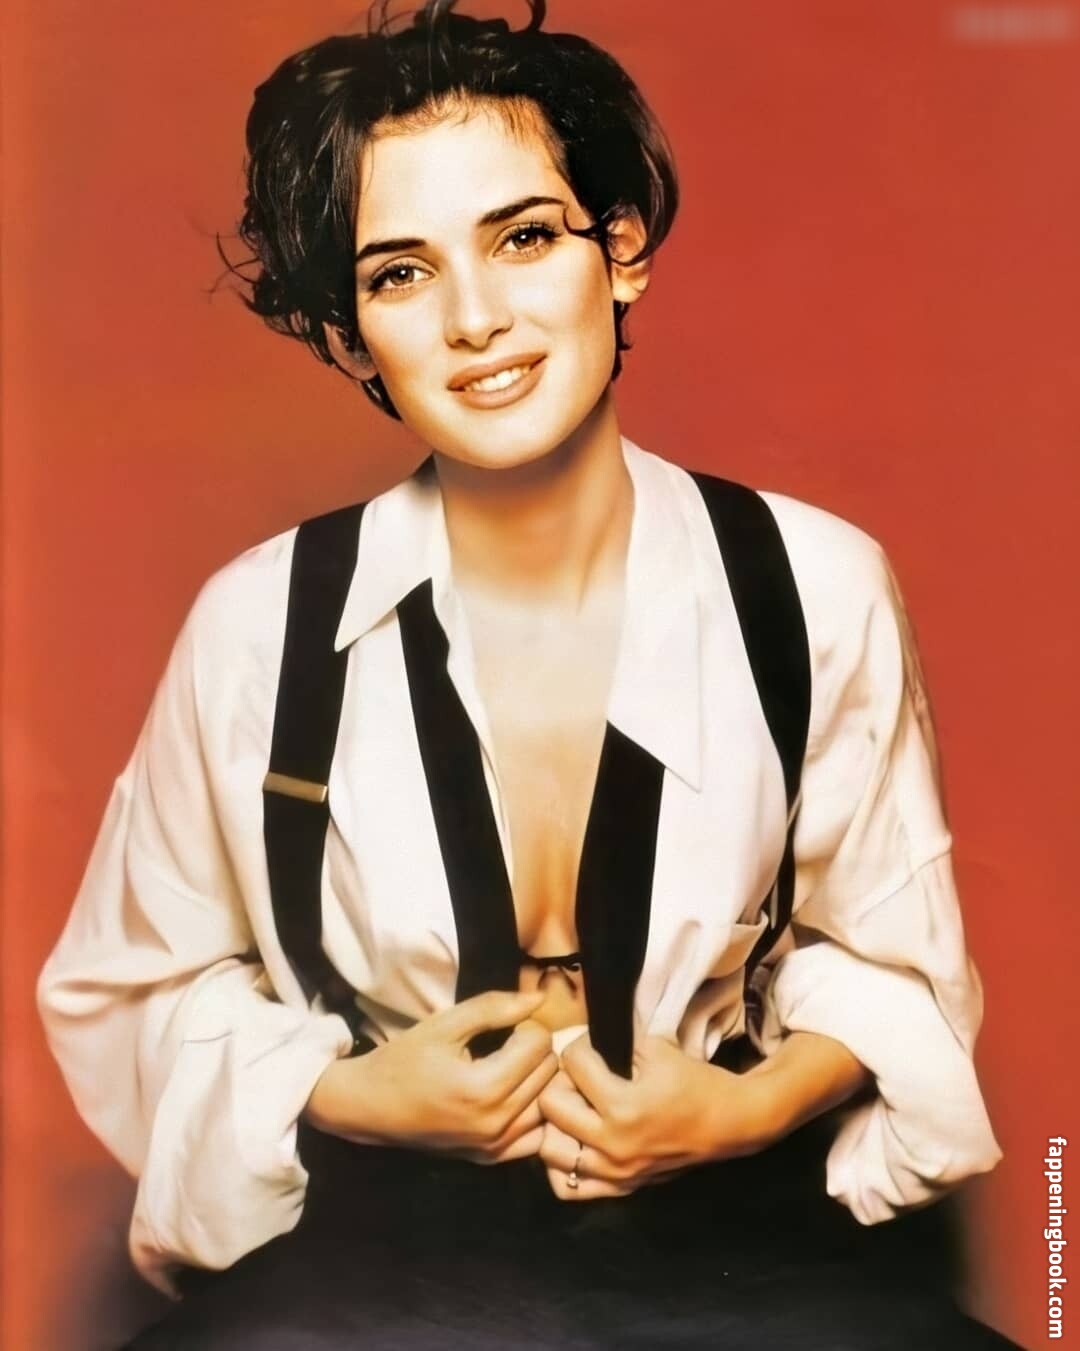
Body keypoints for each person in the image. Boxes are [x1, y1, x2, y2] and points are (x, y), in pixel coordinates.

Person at [38, 2, 1014, 1346]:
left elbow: (893, 959)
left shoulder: (813, 584)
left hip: (738, 1248)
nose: (476, 319)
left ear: (622, 253)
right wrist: (351, 1093)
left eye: (524, 238)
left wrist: (742, 1108)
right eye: (401, 273)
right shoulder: (259, 624)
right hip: (371, 1262)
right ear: (351, 335)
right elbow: (130, 989)